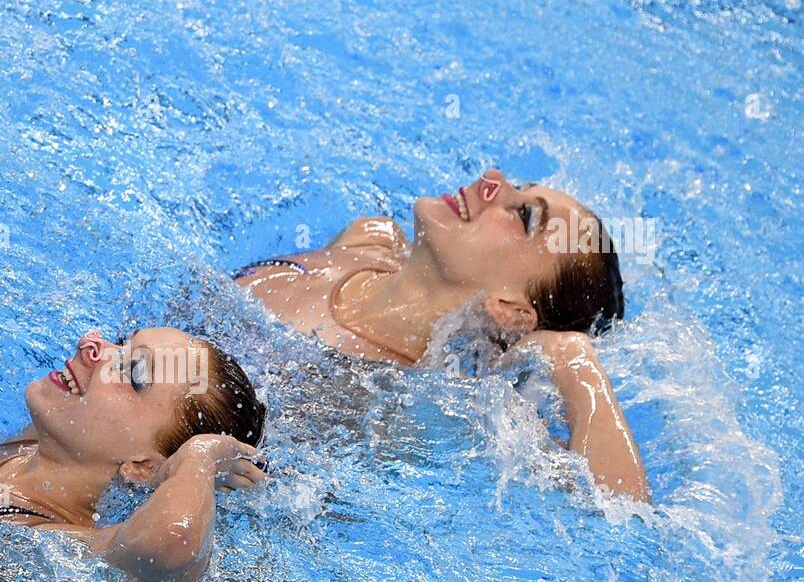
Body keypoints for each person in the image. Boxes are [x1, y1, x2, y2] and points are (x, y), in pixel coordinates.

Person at [233, 167, 650, 502]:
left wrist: (573, 360)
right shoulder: (368, 237)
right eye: (519, 187)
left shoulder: (418, 407)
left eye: (525, 216)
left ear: (511, 309)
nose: (492, 179)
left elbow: (622, 510)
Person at [0, 328, 267, 582]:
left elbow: (175, 541)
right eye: (122, 344)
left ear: (143, 466)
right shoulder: (33, 443)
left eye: (132, 373)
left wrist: (200, 458)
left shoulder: (54, 545)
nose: (91, 346)